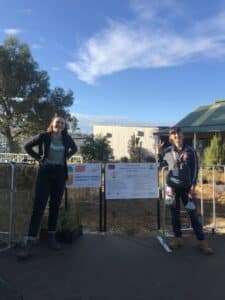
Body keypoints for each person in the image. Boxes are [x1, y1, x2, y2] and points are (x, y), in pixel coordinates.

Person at [17, 115, 77, 260]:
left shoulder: (67, 138)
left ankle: (51, 237)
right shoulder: (44, 136)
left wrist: (65, 157)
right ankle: (30, 241)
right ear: (52, 124)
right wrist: (39, 158)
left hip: (60, 174)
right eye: (58, 122)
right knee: (39, 206)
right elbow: (27, 146)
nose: (60, 125)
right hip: (45, 172)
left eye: (63, 123)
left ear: (65, 126)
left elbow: (74, 149)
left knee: (55, 205)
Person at [158, 126, 213, 255]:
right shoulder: (168, 150)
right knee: (175, 215)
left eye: (179, 135)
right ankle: (178, 239)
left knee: (193, 214)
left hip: (187, 189)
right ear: (171, 138)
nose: (177, 137)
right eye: (174, 135)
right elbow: (162, 165)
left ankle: (202, 242)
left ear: (183, 135)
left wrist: (193, 186)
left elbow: (195, 168)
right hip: (172, 188)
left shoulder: (190, 151)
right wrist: (159, 153)